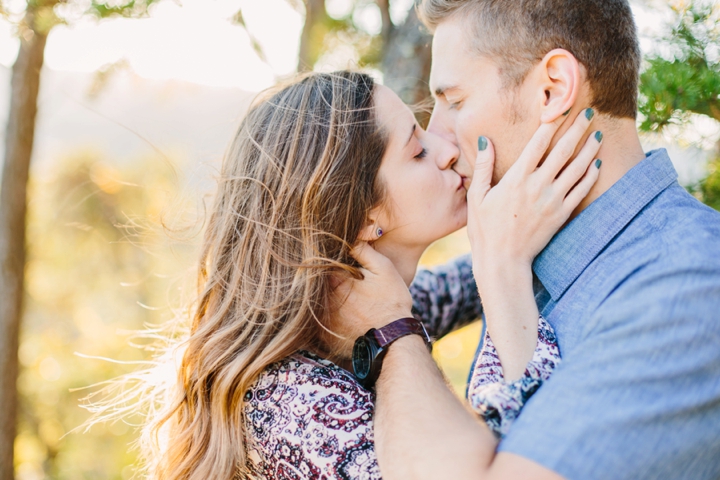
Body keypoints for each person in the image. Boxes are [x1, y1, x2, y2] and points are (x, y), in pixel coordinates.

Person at [109, 69, 602, 480]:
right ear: (365, 215)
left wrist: (515, 230)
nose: (447, 148)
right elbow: (515, 459)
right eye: (417, 150)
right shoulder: (289, 405)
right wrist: (494, 273)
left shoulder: (351, 308)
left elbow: (465, 285)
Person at [333, 1, 720, 479]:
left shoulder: (683, 288)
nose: (442, 141)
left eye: (454, 102)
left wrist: (395, 333)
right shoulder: (526, 256)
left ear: (552, 90)